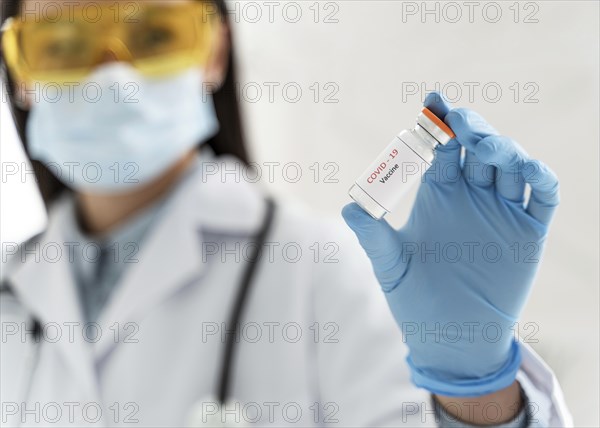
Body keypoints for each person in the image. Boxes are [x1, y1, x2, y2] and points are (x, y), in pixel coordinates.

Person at [0, 0, 571, 426]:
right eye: (63, 43)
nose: (112, 76)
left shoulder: (320, 270)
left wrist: (474, 390)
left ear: (215, 49)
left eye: (153, 33)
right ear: (21, 71)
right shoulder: (12, 294)